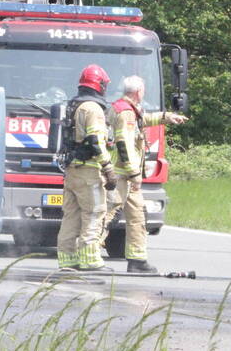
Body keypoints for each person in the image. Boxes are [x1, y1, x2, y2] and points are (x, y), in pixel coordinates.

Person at [109, 75, 187, 273]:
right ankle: (88, 255)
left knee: (137, 217)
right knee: (107, 215)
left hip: (128, 177)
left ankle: (137, 260)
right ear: (138, 92)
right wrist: (134, 172)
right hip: (122, 176)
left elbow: (143, 120)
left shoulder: (129, 110)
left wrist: (166, 117)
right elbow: (124, 143)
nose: (144, 93)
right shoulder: (126, 112)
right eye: (143, 90)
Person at [56, 64, 119, 270]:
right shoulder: (92, 108)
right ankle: (90, 259)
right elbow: (95, 140)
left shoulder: (74, 106)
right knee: (94, 212)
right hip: (88, 172)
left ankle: (67, 259)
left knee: (71, 216)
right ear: (99, 85)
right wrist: (108, 167)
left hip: (72, 169)